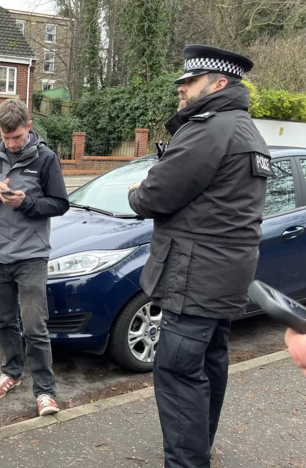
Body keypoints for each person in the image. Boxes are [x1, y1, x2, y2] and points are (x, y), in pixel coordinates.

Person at [128, 45, 271, 467]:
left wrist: (135, 192)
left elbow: (156, 195)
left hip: (195, 277)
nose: (182, 89)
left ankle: (188, 461)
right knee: (209, 365)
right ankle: (199, 448)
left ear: (218, 84)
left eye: (190, 82)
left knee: (176, 373)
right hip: (224, 277)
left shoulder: (209, 128)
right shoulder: (246, 130)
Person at [0, 99, 69, 416]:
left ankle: (45, 392)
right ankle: (12, 373)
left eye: (17, 137)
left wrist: (27, 203)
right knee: (4, 321)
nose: (11, 144)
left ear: (28, 127)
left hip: (31, 256)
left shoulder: (46, 159)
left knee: (35, 326)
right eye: (6, 137)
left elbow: (59, 203)